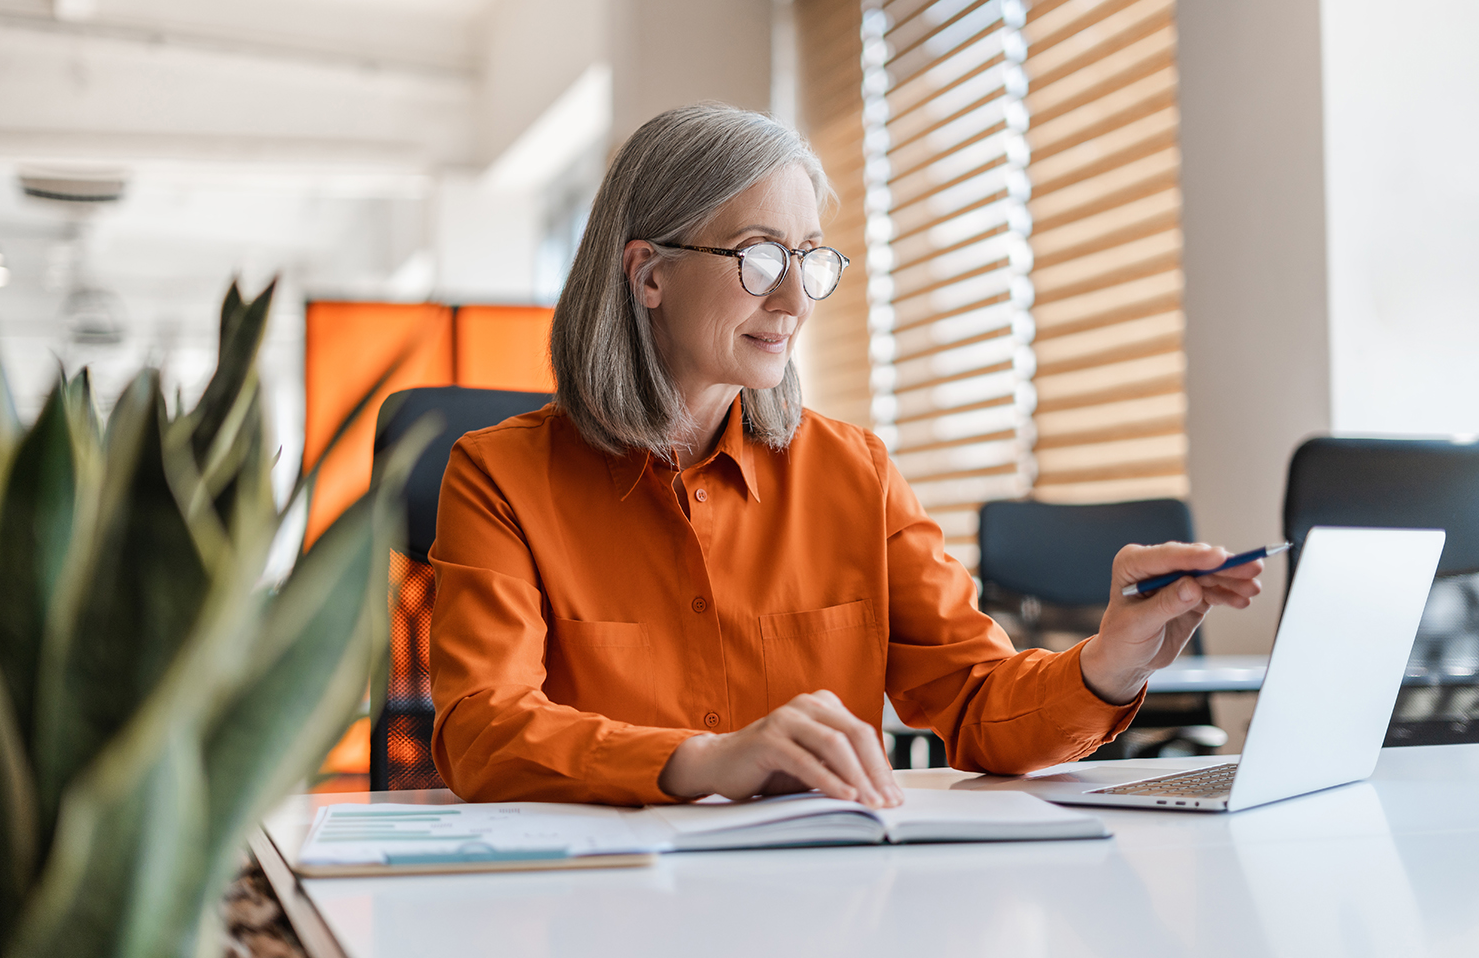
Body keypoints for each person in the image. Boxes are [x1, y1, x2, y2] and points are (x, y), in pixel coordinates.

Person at [428, 104, 1263, 808]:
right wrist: (701, 760)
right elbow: (480, 727)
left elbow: (977, 704)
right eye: (759, 257)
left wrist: (1109, 662)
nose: (793, 300)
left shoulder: (853, 473)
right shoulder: (499, 477)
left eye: (808, 259)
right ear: (649, 274)